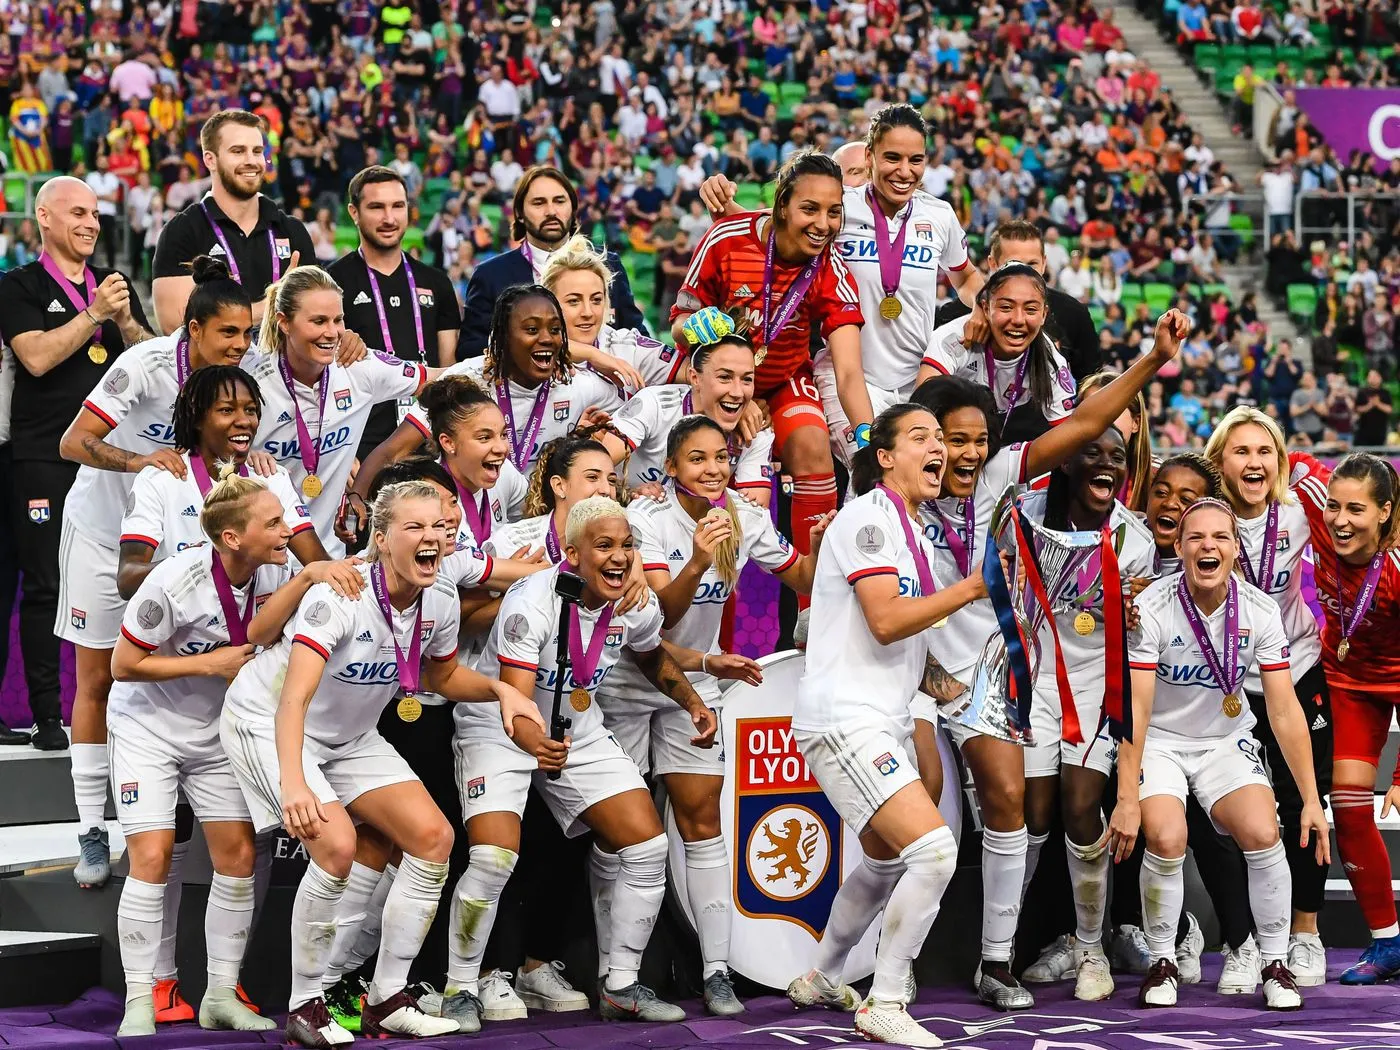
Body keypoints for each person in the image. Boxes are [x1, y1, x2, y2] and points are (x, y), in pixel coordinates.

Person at [909, 307, 1187, 1010]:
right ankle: (944, 958)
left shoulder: (1112, 531)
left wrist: (1154, 360)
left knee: (1053, 807)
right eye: (953, 442)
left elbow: (1092, 424)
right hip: (978, 682)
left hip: (1058, 690)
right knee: (995, 816)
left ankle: (1059, 950)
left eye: (1119, 457)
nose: (968, 455)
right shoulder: (983, 503)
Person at [220, 480, 542, 1044]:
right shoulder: (339, 597)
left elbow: (441, 676)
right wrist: (294, 784)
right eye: (414, 527)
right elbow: (292, 699)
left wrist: (501, 691)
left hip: (350, 736)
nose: (432, 539)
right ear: (382, 537)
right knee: (338, 844)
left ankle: (385, 998)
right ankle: (304, 1008)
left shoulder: (439, 597)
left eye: (441, 528)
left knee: (433, 838)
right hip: (267, 724)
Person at [443, 496, 714, 1028]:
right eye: (604, 546)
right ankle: (459, 987)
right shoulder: (533, 600)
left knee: (646, 845)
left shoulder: (634, 601)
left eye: (627, 546)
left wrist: (693, 702)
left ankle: (621, 986)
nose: (619, 558)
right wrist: (532, 741)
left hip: (578, 732)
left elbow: (650, 652)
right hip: (500, 726)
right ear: (572, 553)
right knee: (494, 859)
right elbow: (516, 697)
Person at [595, 416, 820, 1014]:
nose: (714, 469)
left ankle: (716, 972)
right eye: (697, 459)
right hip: (627, 679)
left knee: (702, 822)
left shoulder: (744, 518)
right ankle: (613, 971)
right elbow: (655, 626)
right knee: (620, 833)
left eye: (721, 457)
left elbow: (800, 575)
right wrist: (697, 562)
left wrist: (828, 553)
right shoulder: (643, 521)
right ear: (670, 468)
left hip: (695, 681)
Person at [108, 472, 345, 1036]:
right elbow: (122, 665)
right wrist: (207, 663)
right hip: (150, 725)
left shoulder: (281, 569)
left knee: (238, 856)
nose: (288, 530)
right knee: (152, 854)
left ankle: (219, 995)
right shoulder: (175, 580)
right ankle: (140, 999)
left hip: (219, 730)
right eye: (273, 523)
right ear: (233, 538)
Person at [787, 403, 987, 1047]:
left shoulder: (911, 529)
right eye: (922, 438)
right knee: (932, 853)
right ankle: (888, 998)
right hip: (846, 720)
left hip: (879, 717)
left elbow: (903, 635)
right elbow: (885, 619)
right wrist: (976, 588)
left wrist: (944, 689)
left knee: (881, 860)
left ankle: (819, 976)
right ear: (885, 457)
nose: (940, 449)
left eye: (941, 439)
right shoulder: (868, 521)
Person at [57, 256, 245, 895]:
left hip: (171, 534)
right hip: (102, 530)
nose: (239, 347)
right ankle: (90, 827)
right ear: (193, 329)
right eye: (228, 335)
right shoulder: (145, 366)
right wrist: (143, 463)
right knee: (96, 677)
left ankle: (173, 802)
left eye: (247, 335)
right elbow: (72, 441)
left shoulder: (235, 379)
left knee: (174, 662)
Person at [1113, 498, 1329, 1009]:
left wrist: (1312, 798)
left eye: (1220, 537)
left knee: (1262, 831)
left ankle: (1274, 963)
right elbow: (1136, 711)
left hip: (1225, 740)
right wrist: (1125, 796)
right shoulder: (1153, 609)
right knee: (1167, 836)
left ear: (1235, 548)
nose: (1208, 545)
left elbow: (1283, 711)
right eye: (1196, 538)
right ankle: (1162, 961)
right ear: (1181, 547)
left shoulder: (1259, 610)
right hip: (1161, 742)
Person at [698, 106, 983, 468]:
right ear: (870, 156)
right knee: (879, 472)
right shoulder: (838, 206)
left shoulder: (939, 215)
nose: (904, 171)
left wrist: (981, 307)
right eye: (892, 157)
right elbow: (773, 226)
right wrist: (720, 198)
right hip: (846, 374)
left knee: (914, 482)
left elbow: (967, 277)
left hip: (917, 377)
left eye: (916, 160)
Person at [673, 150, 868, 622]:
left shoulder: (830, 268)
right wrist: (709, 332)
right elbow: (678, 327)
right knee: (704, 454)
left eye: (834, 211)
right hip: (713, 379)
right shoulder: (726, 239)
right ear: (782, 205)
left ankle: (809, 609)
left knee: (812, 442)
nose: (823, 223)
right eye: (810, 209)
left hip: (782, 380)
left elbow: (848, 373)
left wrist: (869, 445)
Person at [0, 176, 152, 754]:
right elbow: (35, 358)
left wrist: (120, 317)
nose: (90, 223)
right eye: (78, 213)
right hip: (44, 458)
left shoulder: (113, 288)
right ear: (44, 216)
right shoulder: (19, 286)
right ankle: (46, 717)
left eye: (95, 214)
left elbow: (147, 357)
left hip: (113, 463)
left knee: (126, 581)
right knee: (45, 584)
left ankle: (125, 715)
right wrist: (93, 314)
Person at [1016, 425, 1156, 1003]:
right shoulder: (1024, 513)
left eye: (1117, 458)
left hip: (1100, 691)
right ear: (1065, 461)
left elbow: (1138, 630)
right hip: (1032, 684)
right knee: (1032, 814)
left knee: (1080, 807)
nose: (1106, 465)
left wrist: (1132, 612)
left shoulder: (1134, 538)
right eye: (1092, 453)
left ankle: (1092, 947)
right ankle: (997, 949)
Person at [1204, 407, 1332, 986]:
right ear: (1219, 461)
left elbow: (1369, 513)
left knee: (1307, 800)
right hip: (1228, 681)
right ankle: (1247, 941)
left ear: (1279, 462)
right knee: (1233, 814)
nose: (1254, 462)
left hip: (1298, 670)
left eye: (1264, 452)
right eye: (1241, 451)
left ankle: (1305, 933)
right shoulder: (1202, 517)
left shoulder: (1301, 507)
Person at [352, 285, 622, 511]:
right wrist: (356, 499)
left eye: (554, 330)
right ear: (504, 337)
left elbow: (640, 414)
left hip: (542, 526)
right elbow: (393, 450)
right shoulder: (467, 379)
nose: (546, 339)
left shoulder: (579, 385)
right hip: (468, 522)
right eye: (531, 330)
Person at [1291, 452, 1400, 984]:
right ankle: (1388, 943)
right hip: (1348, 679)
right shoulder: (1314, 500)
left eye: (1356, 509)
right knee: (1352, 807)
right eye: (1334, 505)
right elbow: (1276, 457)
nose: (1339, 520)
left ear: (1385, 512)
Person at [241, 264, 439, 557]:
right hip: (264, 561)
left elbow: (442, 378)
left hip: (330, 554)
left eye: (338, 320)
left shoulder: (357, 366)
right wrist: (242, 456)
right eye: (318, 321)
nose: (331, 333)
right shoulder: (251, 383)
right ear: (284, 322)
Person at [327, 166, 461, 461]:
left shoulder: (436, 281)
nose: (389, 218)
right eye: (376, 207)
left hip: (428, 440)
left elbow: (449, 367)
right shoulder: (331, 283)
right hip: (360, 446)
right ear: (354, 212)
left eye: (397, 206)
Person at [152, 110, 316, 334]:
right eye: (238, 151)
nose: (251, 161)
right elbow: (176, 325)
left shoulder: (291, 229)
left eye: (257, 151)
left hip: (285, 368)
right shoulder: (183, 230)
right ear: (210, 159)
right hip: (218, 369)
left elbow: (315, 316)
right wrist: (277, 304)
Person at [934, 221, 1101, 435]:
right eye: (1013, 263)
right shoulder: (955, 316)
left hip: (1041, 443)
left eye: (1032, 264)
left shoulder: (1073, 312)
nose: (1023, 273)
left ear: (1044, 263)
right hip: (969, 439)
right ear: (992, 264)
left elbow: (1091, 380)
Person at [458, 166, 647, 355]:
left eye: (559, 201)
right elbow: (469, 350)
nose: (551, 211)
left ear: (573, 208)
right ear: (520, 214)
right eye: (539, 203)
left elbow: (638, 337)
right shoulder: (490, 275)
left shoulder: (608, 263)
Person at [598, 328, 773, 505]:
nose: (737, 392)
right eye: (725, 377)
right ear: (694, 377)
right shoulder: (655, 405)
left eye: (747, 380)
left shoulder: (756, 432)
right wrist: (628, 494)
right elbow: (593, 468)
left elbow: (755, 515)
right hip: (621, 514)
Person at [919, 263, 1080, 439]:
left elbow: (1069, 434)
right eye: (1006, 307)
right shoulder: (956, 338)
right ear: (986, 308)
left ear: (1044, 315)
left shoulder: (1050, 359)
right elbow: (921, 413)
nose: (1018, 319)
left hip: (998, 445)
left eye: (1031, 309)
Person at [540, 234, 685, 393]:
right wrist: (592, 354)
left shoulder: (628, 346)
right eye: (574, 301)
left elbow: (699, 374)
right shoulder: (525, 350)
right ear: (548, 305)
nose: (588, 312)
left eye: (596, 300)